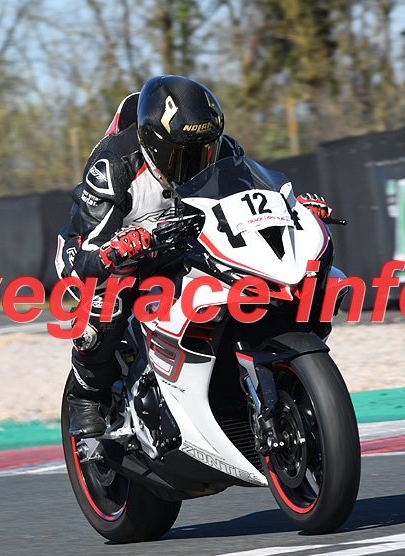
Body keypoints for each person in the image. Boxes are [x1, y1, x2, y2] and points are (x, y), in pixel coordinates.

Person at [55, 75, 333, 438]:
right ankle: (86, 396)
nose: (199, 161)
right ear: (155, 145)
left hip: (179, 239)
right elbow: (87, 252)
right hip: (101, 249)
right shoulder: (114, 166)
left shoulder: (223, 150)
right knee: (106, 300)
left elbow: (255, 195)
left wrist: (292, 208)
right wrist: (118, 247)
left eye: (205, 150)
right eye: (185, 154)